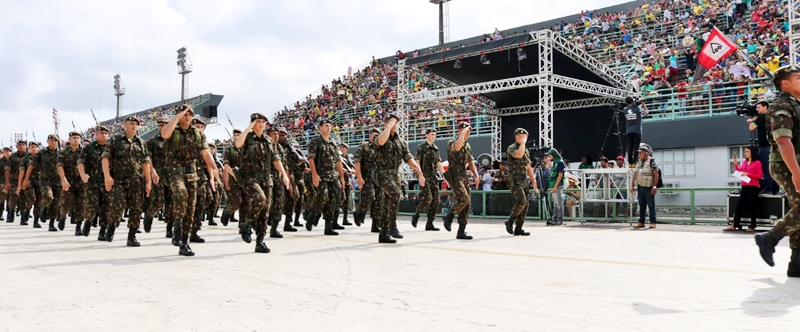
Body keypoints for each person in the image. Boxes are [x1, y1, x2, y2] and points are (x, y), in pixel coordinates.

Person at [755, 65, 800, 275]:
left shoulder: (796, 105)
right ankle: (770, 238)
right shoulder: (781, 106)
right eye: (798, 78)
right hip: (786, 166)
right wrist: (796, 172)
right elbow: (783, 141)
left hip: (794, 165)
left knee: (798, 211)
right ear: (785, 83)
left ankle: (797, 264)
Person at [162, 107, 217, 255]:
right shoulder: (173, 129)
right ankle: (176, 228)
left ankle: (184, 243)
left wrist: (215, 168)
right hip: (175, 172)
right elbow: (164, 134)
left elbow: (206, 153)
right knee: (181, 194)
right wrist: (176, 118)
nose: (187, 117)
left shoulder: (197, 134)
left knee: (190, 211)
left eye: (189, 114)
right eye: (184, 114)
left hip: (192, 175)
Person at [233, 113, 291, 253]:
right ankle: (246, 224)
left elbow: (275, 158)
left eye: (262, 122)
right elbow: (237, 144)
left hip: (266, 178)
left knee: (265, 212)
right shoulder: (247, 137)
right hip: (249, 177)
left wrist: (284, 175)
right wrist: (249, 127)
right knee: (261, 199)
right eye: (257, 121)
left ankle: (260, 241)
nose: (260, 124)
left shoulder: (268, 140)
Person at [101, 116, 154, 246]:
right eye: (131, 123)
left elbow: (145, 163)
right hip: (119, 179)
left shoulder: (141, 143)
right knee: (117, 206)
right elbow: (105, 158)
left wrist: (148, 181)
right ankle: (112, 225)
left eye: (136, 124)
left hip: (136, 180)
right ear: (124, 125)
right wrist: (107, 176)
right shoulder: (115, 140)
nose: (134, 126)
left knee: (136, 208)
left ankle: (132, 236)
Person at [373, 113, 426, 243]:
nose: (395, 125)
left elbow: (408, 157)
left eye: (396, 123)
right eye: (392, 122)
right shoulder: (378, 136)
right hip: (382, 174)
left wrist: (417, 169)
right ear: (385, 123)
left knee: (387, 204)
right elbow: (381, 141)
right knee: (395, 194)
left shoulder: (401, 141)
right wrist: (388, 127)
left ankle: (384, 233)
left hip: (395, 175)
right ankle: (392, 226)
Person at [305, 119, 345, 235]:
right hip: (321, 175)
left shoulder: (333, 143)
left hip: (333, 175)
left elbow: (338, 161)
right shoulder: (315, 142)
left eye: (330, 126)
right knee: (322, 196)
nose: (329, 127)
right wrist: (314, 175)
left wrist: (341, 177)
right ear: (320, 128)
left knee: (332, 201)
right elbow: (311, 159)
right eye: (326, 125)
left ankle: (328, 227)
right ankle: (312, 215)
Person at [443, 122, 479, 240]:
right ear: (459, 131)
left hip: (464, 175)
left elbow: (470, 162)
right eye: (465, 131)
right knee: (464, 198)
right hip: (455, 175)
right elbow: (457, 147)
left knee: (466, 205)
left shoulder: (467, 146)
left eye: (469, 131)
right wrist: (463, 133)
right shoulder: (452, 142)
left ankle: (461, 231)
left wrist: (476, 175)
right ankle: (449, 216)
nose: (468, 133)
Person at [78, 126, 111, 239]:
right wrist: (83, 174)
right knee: (91, 205)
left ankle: (102, 232)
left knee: (106, 208)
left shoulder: (112, 147)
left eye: (106, 133)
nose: (104, 135)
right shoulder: (89, 148)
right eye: (102, 133)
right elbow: (81, 161)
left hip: (107, 182)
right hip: (92, 182)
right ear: (96, 134)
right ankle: (88, 221)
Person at [505, 128, 538, 236]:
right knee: (522, 201)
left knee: (526, 205)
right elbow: (518, 155)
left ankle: (518, 228)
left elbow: (528, 166)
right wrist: (522, 143)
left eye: (524, 137)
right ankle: (510, 221)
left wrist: (533, 180)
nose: (523, 138)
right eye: (520, 136)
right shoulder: (512, 148)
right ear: (516, 137)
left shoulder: (526, 150)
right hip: (514, 179)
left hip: (524, 179)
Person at [411, 128, 444, 231]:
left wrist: (444, 175)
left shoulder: (435, 148)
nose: (434, 136)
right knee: (428, 198)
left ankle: (430, 223)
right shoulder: (421, 147)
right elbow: (417, 161)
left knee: (435, 200)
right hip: (424, 176)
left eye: (435, 134)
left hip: (433, 177)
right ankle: (416, 215)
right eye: (432, 134)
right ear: (427, 135)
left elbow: (438, 162)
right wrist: (420, 175)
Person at [724, 146, 762, 232]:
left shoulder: (757, 163)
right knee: (739, 205)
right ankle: (734, 224)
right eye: (745, 152)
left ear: (752, 152)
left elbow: (759, 175)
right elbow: (741, 171)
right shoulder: (745, 162)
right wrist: (736, 165)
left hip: (753, 187)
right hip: (745, 186)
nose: (745, 153)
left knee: (752, 206)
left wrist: (748, 174)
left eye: (747, 151)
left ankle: (752, 226)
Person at [143, 117, 169, 235]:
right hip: (158, 173)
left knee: (173, 201)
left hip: (173, 173)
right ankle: (149, 215)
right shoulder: (152, 141)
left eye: (164, 125)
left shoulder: (175, 139)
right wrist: (152, 171)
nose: (161, 127)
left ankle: (170, 228)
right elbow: (148, 157)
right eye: (159, 125)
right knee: (159, 200)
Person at [353, 128, 381, 232]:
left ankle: (375, 225)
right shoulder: (363, 148)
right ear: (369, 136)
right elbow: (357, 162)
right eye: (373, 136)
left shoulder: (381, 148)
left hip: (378, 179)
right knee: (369, 197)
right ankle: (359, 212)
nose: (375, 138)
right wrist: (359, 177)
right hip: (367, 178)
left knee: (378, 202)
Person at [57, 132, 85, 236]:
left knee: (81, 205)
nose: (76, 140)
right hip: (68, 182)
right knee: (66, 203)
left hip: (81, 183)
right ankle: (63, 216)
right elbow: (60, 166)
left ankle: (78, 227)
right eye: (74, 138)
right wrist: (63, 180)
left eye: (78, 138)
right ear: (69, 139)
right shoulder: (63, 153)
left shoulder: (84, 152)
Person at [748, 100, 779, 194]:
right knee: (773, 169)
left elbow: (751, 127)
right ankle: (775, 189)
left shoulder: (761, 117)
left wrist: (752, 120)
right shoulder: (770, 116)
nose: (757, 109)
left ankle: (768, 188)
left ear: (765, 107)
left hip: (764, 147)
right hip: (772, 145)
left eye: (759, 107)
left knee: (766, 169)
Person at [631, 143, 659, 229]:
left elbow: (656, 174)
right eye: (639, 152)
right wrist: (632, 185)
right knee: (641, 204)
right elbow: (635, 173)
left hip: (649, 187)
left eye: (641, 152)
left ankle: (652, 222)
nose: (639, 154)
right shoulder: (639, 162)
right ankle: (641, 222)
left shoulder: (652, 161)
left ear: (646, 153)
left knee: (651, 205)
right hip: (640, 186)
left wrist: (654, 186)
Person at [4, 141, 28, 225]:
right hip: (14, 180)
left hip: (26, 180)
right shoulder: (12, 157)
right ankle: (10, 214)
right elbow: (7, 170)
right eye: (20, 145)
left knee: (24, 199)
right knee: (13, 198)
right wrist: (7, 182)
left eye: (23, 145)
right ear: (17, 146)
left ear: (26, 146)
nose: (21, 146)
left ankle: (23, 218)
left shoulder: (29, 157)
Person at [624, 96, 648, 168]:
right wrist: (643, 104)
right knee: (636, 147)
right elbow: (647, 113)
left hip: (628, 130)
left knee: (630, 146)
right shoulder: (638, 108)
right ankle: (635, 161)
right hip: (637, 130)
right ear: (633, 101)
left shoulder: (625, 109)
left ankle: (630, 162)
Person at [546, 149, 565, 225]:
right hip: (553, 185)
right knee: (555, 203)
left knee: (559, 203)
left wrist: (555, 186)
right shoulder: (555, 163)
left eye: (549, 155)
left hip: (558, 185)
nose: (548, 156)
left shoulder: (560, 162)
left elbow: (560, 175)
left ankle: (559, 218)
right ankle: (554, 218)